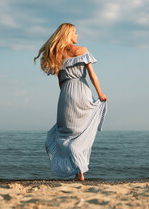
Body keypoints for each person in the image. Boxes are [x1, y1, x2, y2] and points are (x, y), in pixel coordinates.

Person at [34, 23, 107, 181]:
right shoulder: (82, 51)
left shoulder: (56, 55)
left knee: (65, 132)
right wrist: (100, 93)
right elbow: (93, 76)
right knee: (81, 131)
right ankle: (79, 170)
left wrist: (65, 96)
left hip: (66, 96)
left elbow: (60, 81)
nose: (77, 35)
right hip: (82, 91)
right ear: (68, 34)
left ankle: (77, 170)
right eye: (75, 32)